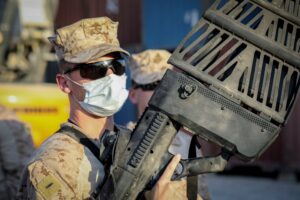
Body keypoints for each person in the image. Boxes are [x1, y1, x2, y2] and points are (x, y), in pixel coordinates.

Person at [17, 17, 188, 199]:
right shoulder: (50, 166)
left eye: (117, 66)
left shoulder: (138, 145)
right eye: (95, 70)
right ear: (64, 83)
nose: (110, 76)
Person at [128, 49, 211, 200]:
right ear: (133, 94)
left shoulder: (188, 144)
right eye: (155, 84)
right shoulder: (122, 143)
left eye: (169, 84)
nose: (163, 91)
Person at [0, 105, 35, 200]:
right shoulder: (24, 126)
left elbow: (11, 164)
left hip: (11, 185)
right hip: (28, 178)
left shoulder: (3, 127)